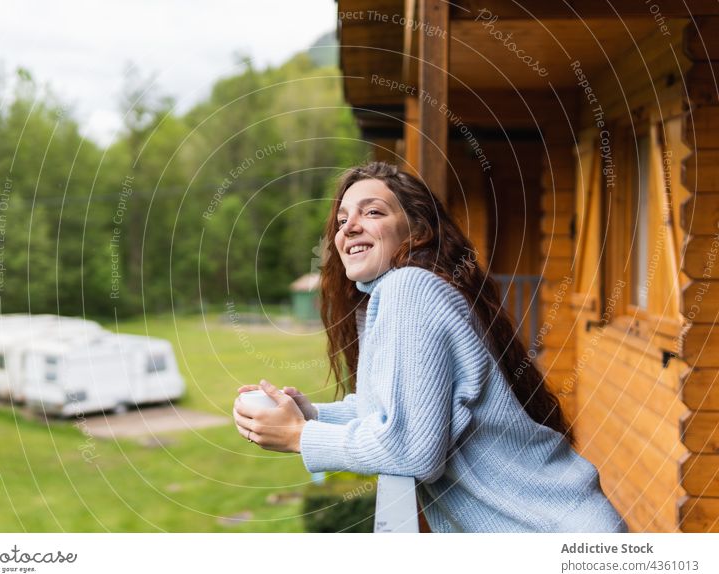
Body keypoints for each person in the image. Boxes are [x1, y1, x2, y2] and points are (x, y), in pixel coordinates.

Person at [233, 161, 627, 533]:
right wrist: (312, 414)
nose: (348, 227)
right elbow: (394, 411)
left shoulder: (410, 289)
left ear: (417, 230)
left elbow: (410, 449)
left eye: (372, 212)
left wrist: (300, 437)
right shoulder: (402, 293)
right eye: (341, 220)